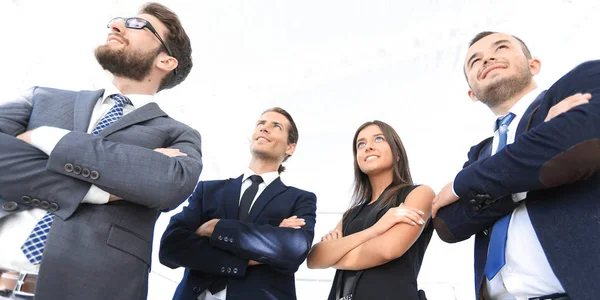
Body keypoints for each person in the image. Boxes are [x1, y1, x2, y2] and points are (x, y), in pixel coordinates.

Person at [0, 3, 201, 300]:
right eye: (117, 20)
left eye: (135, 24)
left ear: (166, 61)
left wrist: (47, 138)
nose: (116, 26)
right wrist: (100, 191)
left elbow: (171, 183)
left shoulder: (179, 134)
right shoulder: (41, 97)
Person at [431, 31, 600, 300]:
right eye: (475, 61)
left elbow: (584, 142)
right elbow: (448, 224)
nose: (487, 58)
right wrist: (531, 164)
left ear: (534, 65)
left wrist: (464, 184)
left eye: (501, 47)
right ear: (472, 93)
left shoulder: (581, 79)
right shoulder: (479, 154)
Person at [159, 107, 317, 300]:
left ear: (290, 147)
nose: (264, 128)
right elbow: (171, 248)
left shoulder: (300, 199)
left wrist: (214, 227)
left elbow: (293, 251)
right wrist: (268, 238)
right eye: (261, 123)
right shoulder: (208, 191)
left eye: (276, 126)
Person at [306, 120, 434, 300]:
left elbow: (388, 249)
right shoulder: (351, 214)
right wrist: (376, 229)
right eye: (361, 144)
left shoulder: (419, 193)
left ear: (397, 154)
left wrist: (334, 257)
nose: (369, 147)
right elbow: (314, 259)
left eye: (379, 139)